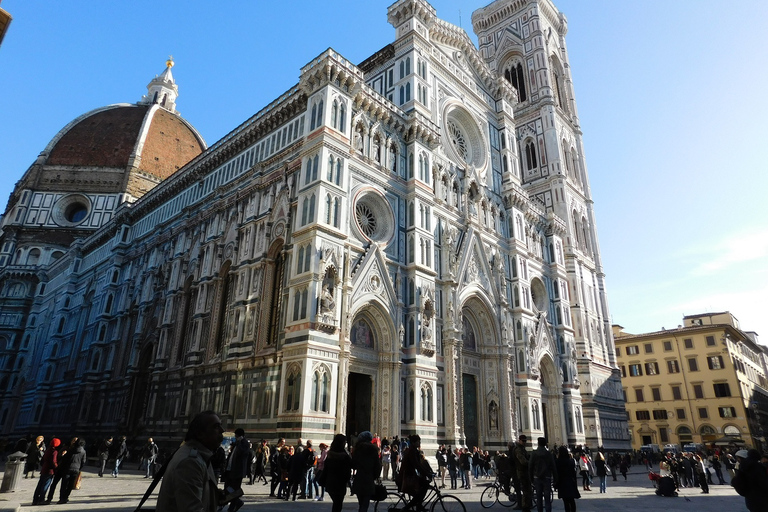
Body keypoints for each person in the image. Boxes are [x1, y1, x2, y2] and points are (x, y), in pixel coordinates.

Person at [156, 410, 225, 512]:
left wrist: (213, 494)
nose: (222, 430)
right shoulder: (190, 463)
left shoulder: (201, 456)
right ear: (200, 434)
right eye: (216, 427)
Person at [399, 435, 431, 511]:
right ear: (413, 442)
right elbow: (416, 465)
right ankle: (407, 508)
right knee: (425, 485)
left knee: (420, 490)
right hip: (408, 477)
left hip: (411, 475)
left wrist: (427, 472)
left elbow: (420, 464)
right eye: (418, 441)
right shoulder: (411, 451)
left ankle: (418, 505)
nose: (419, 443)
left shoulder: (414, 450)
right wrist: (427, 473)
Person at [351, 431, 381, 512]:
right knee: (365, 504)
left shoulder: (357, 450)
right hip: (369, 479)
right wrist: (375, 476)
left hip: (359, 479)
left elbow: (353, 464)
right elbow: (377, 466)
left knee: (361, 504)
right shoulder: (373, 450)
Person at [323, 434, 352, 512]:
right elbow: (350, 466)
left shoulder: (330, 454)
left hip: (330, 482)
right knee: (338, 504)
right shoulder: (344, 456)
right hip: (340, 483)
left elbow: (326, 468)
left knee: (336, 503)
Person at [529, 437, 557, 512]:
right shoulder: (549, 454)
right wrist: (555, 479)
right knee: (547, 498)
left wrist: (531, 478)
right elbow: (553, 467)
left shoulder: (534, 453)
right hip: (547, 477)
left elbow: (530, 466)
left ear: (538, 443)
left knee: (539, 498)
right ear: (545, 444)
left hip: (537, 478)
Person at [223, 428, 249, 511]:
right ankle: (237, 501)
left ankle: (232, 506)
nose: (235, 437)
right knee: (228, 488)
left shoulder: (244, 443)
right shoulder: (237, 443)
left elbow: (243, 453)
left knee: (234, 489)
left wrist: (239, 443)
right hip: (230, 469)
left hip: (237, 471)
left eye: (236, 435)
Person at [32, 438, 60, 505]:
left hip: (44, 469)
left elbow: (43, 459)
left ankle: (35, 499)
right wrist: (57, 467)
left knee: (40, 485)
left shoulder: (48, 450)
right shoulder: (54, 452)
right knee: (45, 485)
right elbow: (54, 461)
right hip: (50, 470)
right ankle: (41, 499)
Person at [58, 438, 86, 504]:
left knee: (64, 484)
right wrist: (79, 468)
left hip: (67, 468)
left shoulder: (71, 450)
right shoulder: (83, 451)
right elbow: (83, 461)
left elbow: (65, 459)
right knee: (70, 485)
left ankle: (62, 498)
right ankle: (66, 497)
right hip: (76, 469)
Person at [555, 446, 580, 512]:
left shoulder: (558, 462)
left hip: (562, 483)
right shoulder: (571, 461)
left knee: (565, 501)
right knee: (572, 500)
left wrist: (556, 484)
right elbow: (574, 473)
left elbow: (557, 474)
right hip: (570, 482)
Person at [514, 435, 532, 512]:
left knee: (528, 490)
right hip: (522, 473)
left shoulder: (522, 449)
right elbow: (523, 461)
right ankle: (525, 507)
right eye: (523, 441)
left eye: (525, 441)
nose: (524, 442)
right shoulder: (518, 450)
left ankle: (527, 506)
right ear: (519, 440)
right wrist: (531, 463)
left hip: (525, 472)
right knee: (525, 490)